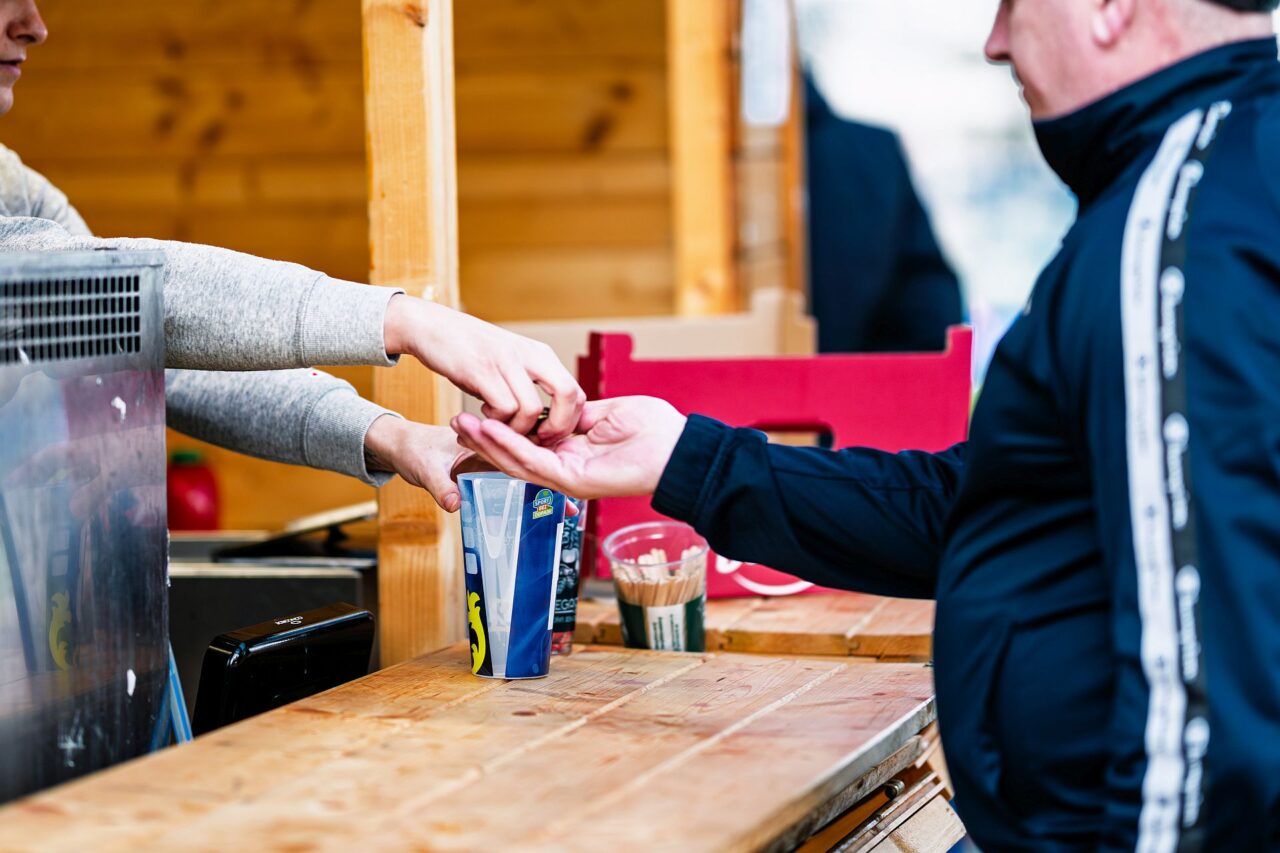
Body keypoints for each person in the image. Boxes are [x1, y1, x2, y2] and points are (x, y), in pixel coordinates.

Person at [454, 0, 1280, 848]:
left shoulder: (1179, 232)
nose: (994, 41)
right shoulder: (1208, 185)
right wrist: (684, 458)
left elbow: (1212, 700)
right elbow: (981, 504)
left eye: (1010, 4)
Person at [0, 0, 581, 513]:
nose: (36, 26)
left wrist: (400, 438)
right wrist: (409, 321)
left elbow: (149, 352)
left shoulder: (13, 185)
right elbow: (90, 286)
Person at [805, 76, 964, 353]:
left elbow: (929, 310)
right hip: (855, 385)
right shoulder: (873, 152)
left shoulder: (871, 153)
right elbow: (931, 313)